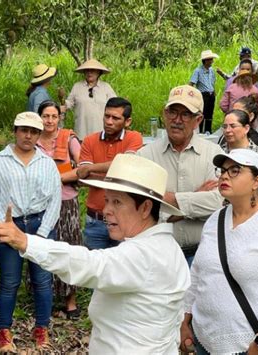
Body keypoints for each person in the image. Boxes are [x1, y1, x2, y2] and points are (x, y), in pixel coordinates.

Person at [0, 154, 191, 354]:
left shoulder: (145, 254)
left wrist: (26, 242)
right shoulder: (167, 246)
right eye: (107, 200)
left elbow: (89, 264)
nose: (106, 210)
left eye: (117, 202)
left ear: (146, 208)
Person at [181, 149, 258, 355]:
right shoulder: (215, 220)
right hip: (204, 339)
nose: (225, 176)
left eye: (235, 170)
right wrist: (185, 319)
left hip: (251, 346)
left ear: (257, 181)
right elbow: (198, 274)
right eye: (223, 170)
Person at [0, 111, 61, 352]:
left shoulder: (46, 163)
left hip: (40, 225)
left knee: (42, 280)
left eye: (34, 131)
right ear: (15, 131)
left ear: (39, 134)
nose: (28, 135)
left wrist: (42, 234)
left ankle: (41, 328)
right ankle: (4, 331)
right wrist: (3, 226)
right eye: (24, 130)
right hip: (10, 224)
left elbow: (55, 199)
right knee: (9, 281)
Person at [137, 85, 224, 265]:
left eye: (185, 114)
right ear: (164, 114)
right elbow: (140, 209)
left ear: (198, 119)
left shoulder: (214, 154)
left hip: (204, 254)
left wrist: (167, 201)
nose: (177, 120)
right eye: (173, 112)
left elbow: (220, 203)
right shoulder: (145, 155)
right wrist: (197, 199)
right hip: (159, 255)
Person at [76, 97, 143, 250]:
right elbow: (83, 176)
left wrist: (92, 168)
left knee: (124, 270)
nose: (109, 121)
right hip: (95, 220)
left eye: (115, 118)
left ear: (127, 121)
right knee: (93, 271)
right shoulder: (89, 140)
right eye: (107, 116)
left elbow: (126, 164)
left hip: (125, 219)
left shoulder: (134, 138)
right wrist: (118, 173)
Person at [36, 100, 82, 319]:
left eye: (54, 116)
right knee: (44, 248)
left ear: (59, 118)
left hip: (66, 202)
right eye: (46, 116)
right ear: (39, 118)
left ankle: (70, 300)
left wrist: (56, 179)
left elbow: (83, 170)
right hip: (40, 204)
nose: (50, 121)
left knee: (69, 248)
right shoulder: (32, 140)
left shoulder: (68, 139)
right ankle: (45, 297)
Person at [64, 58, 116, 139]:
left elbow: (115, 105)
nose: (89, 73)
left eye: (92, 70)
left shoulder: (106, 87)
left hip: (101, 133)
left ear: (99, 72)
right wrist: (61, 106)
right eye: (87, 70)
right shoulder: (77, 86)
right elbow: (68, 104)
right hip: (81, 132)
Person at [189, 50, 219, 134]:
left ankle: (208, 131)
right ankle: (200, 131)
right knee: (202, 113)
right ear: (205, 61)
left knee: (210, 114)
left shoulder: (211, 71)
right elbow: (191, 83)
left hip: (211, 94)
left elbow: (212, 82)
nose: (212, 61)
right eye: (210, 60)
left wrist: (214, 92)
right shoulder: (198, 71)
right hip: (203, 95)